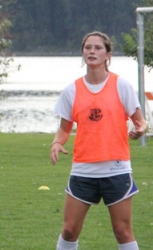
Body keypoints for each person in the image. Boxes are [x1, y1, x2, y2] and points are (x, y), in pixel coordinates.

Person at [50, 31, 148, 250]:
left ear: (108, 55)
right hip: (83, 171)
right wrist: (57, 142)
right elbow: (64, 129)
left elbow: (141, 122)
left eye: (97, 48)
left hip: (116, 169)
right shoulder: (71, 90)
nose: (92, 51)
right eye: (87, 47)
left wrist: (140, 129)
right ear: (83, 53)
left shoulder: (122, 86)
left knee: (123, 232)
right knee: (69, 230)